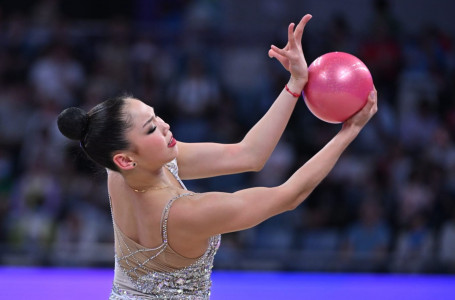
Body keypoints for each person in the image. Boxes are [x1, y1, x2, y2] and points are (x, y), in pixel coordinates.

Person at [57, 14, 377, 299]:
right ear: (126, 158)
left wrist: (295, 83)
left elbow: (249, 154)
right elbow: (289, 195)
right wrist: (349, 131)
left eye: (156, 117)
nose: (166, 126)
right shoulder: (185, 214)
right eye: (152, 129)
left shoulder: (120, 167)